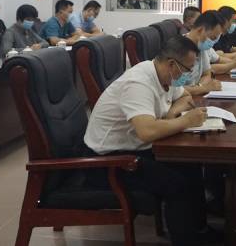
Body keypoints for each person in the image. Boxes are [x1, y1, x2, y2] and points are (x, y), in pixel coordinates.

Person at [84, 35, 219, 246]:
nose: (188, 75)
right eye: (187, 69)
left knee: (190, 165)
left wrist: (172, 113)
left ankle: (199, 230)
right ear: (172, 64)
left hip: (135, 148)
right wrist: (185, 121)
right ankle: (186, 240)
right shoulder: (138, 83)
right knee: (176, 183)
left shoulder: (165, 75)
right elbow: (147, 131)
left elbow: (185, 97)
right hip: (109, 162)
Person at [183, 11, 225, 96]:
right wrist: (204, 88)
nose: (212, 43)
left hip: (195, 96)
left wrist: (199, 87)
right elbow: (173, 90)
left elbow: (207, 74)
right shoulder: (177, 48)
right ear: (200, 30)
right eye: (212, 38)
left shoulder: (201, 47)